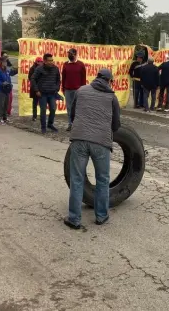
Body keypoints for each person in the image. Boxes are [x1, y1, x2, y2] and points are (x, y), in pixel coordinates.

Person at [65, 68, 121, 229]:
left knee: (77, 179)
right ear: (109, 81)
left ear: (96, 77)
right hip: (101, 143)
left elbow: (73, 113)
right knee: (103, 180)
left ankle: (74, 219)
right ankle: (101, 216)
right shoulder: (111, 97)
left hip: (79, 139)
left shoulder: (81, 90)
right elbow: (116, 125)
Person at [31, 53, 61, 134]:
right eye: (49, 61)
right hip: (42, 94)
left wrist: (57, 88)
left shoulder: (55, 69)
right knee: (43, 110)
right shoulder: (39, 69)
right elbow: (33, 79)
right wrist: (37, 90)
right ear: (44, 61)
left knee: (53, 109)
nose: (51, 62)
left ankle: (50, 124)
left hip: (52, 93)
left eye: (52, 60)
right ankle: (43, 127)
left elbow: (58, 80)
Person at [62, 48, 87, 131]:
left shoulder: (81, 65)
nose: (69, 55)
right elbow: (63, 77)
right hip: (68, 90)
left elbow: (83, 78)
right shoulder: (65, 64)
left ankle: (78, 125)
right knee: (69, 108)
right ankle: (70, 124)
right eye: (68, 53)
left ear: (76, 54)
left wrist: (83, 89)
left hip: (78, 90)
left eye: (71, 54)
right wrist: (63, 88)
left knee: (78, 108)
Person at [0, 57, 12, 125]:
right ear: (0, 62)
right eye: (4, 62)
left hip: (7, 90)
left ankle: (5, 118)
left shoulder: (6, 71)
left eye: (6, 62)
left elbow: (9, 79)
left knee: (6, 104)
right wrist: (3, 84)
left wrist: (10, 85)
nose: (5, 63)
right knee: (0, 105)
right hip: (0, 90)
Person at [28, 57, 44, 121]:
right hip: (35, 88)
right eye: (41, 62)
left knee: (42, 103)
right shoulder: (32, 68)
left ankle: (42, 116)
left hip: (42, 88)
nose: (42, 63)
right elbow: (30, 78)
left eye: (42, 62)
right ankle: (34, 116)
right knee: (35, 103)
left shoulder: (43, 68)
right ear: (37, 62)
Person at [1, 52, 16, 117]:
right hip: (1, 86)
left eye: (7, 56)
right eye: (4, 56)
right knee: (1, 101)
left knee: (9, 99)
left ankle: (7, 112)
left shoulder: (8, 65)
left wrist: (18, 70)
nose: (6, 57)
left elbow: (11, 73)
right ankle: (1, 114)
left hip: (8, 86)